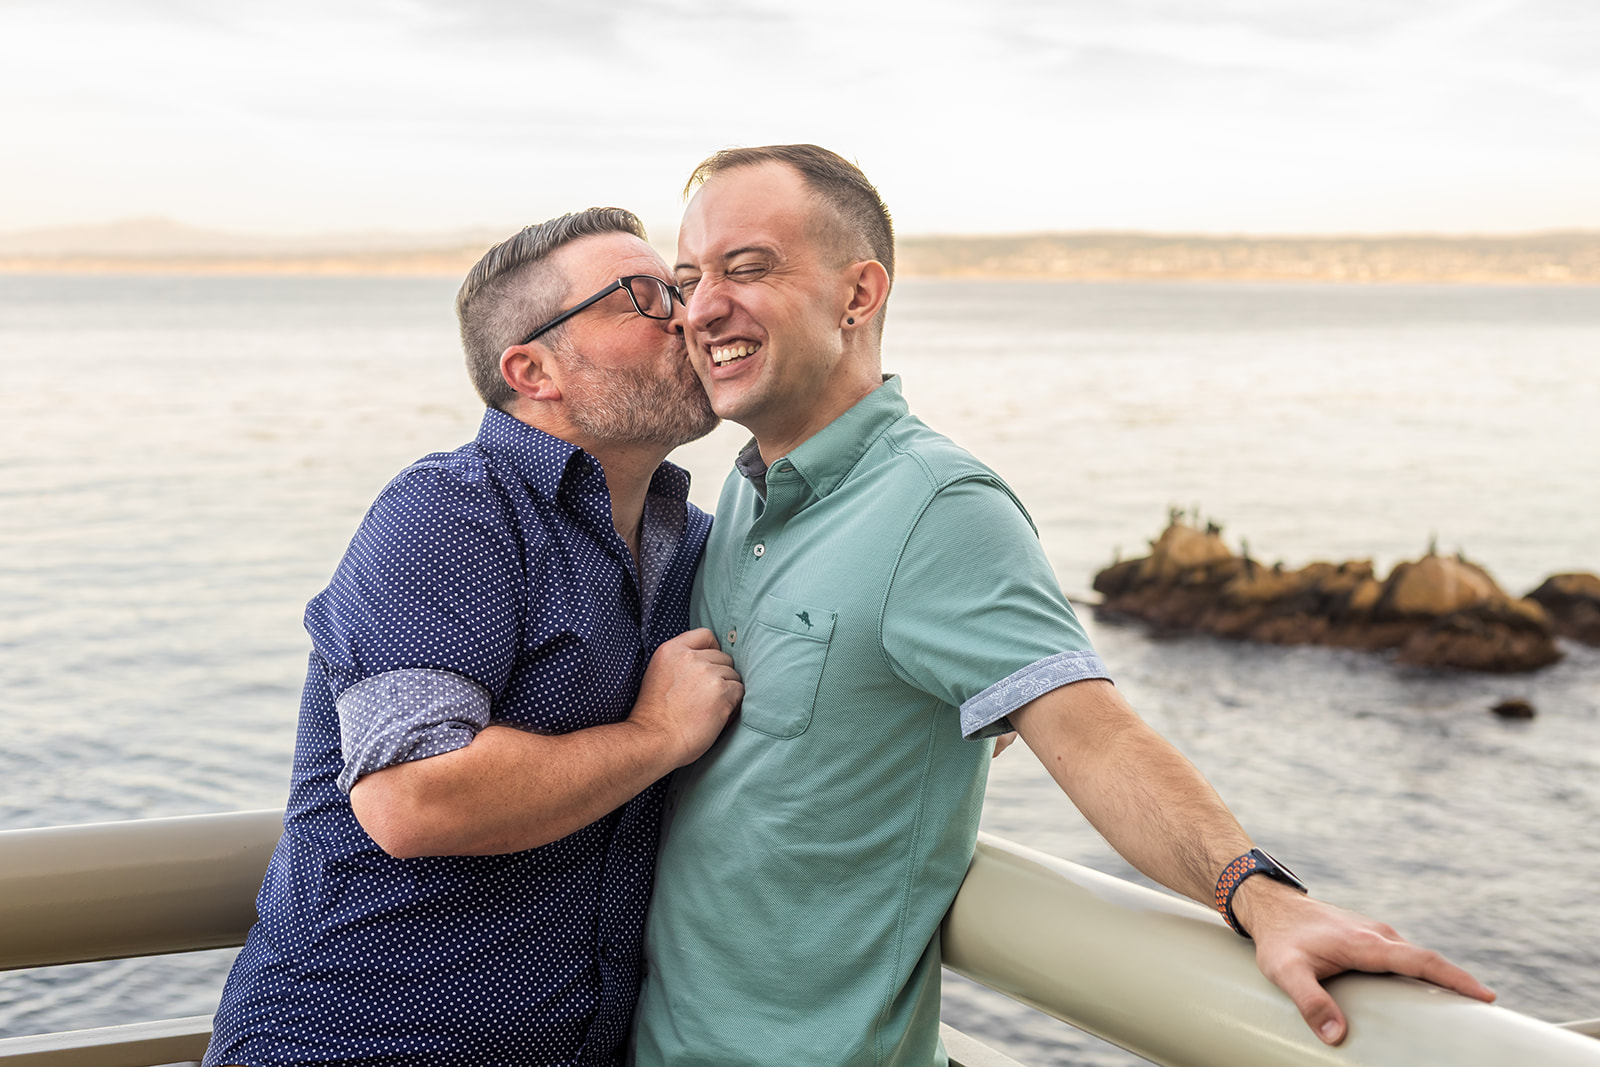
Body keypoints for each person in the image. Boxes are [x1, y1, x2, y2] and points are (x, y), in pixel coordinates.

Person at [631, 146, 1495, 1066]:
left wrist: (1258, 891)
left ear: (859, 294)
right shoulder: (749, 497)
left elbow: (1092, 732)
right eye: (688, 279)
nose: (702, 307)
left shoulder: (938, 507)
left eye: (748, 267)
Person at [204, 208, 743, 1067]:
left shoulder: (700, 546)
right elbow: (413, 797)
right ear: (533, 369)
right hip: (354, 1046)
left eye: (680, 289)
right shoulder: (453, 512)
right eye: (644, 297)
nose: (689, 314)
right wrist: (655, 735)